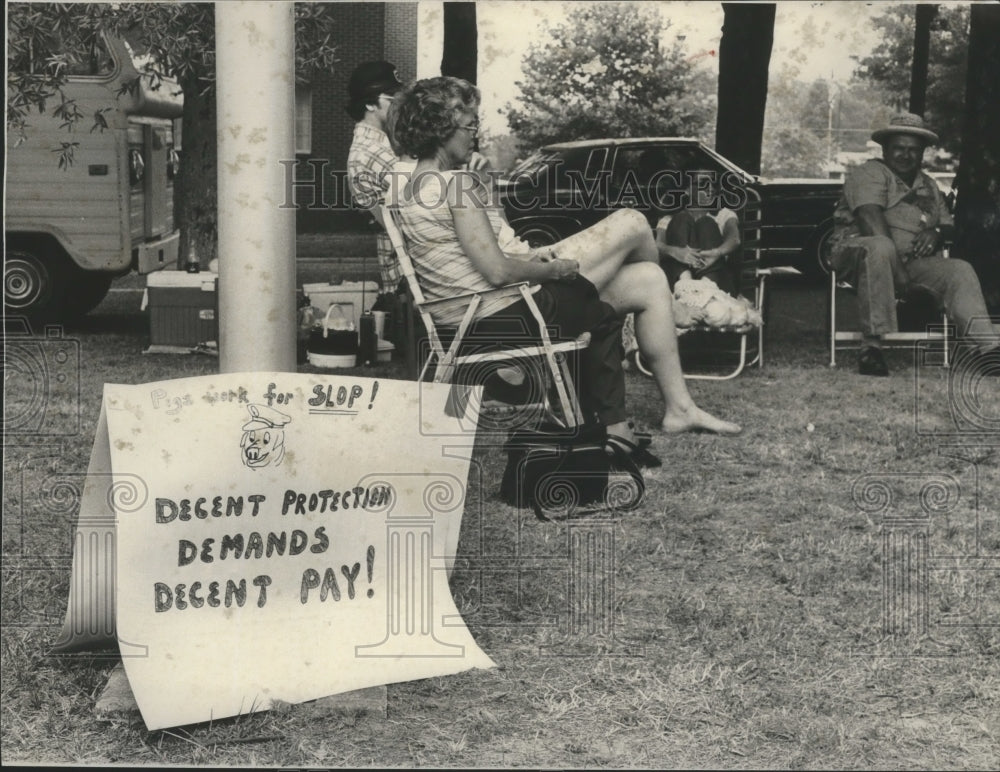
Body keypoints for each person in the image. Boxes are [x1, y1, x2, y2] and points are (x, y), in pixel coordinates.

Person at [389, 76, 741, 455]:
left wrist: (522, 246)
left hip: (473, 312)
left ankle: (681, 408)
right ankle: (673, 313)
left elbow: (478, 252)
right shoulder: (453, 186)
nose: (474, 135)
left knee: (649, 277)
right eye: (470, 124)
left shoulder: (405, 182)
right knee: (634, 222)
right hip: (505, 312)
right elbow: (497, 272)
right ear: (443, 127)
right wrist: (553, 270)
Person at [830, 112, 1000, 376]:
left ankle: (989, 351)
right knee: (880, 247)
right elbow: (869, 217)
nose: (905, 155)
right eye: (899, 148)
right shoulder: (869, 173)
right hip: (857, 253)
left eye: (913, 150)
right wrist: (896, 270)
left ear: (922, 153)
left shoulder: (928, 184)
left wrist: (936, 232)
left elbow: (947, 224)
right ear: (885, 148)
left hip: (909, 263)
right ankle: (871, 348)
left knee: (959, 270)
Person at [345, 60, 410, 292]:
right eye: (391, 96)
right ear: (370, 103)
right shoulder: (371, 152)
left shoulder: (381, 145)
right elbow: (431, 198)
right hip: (410, 278)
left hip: (408, 275)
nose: (398, 104)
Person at [656, 188, 741, 297]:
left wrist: (717, 252)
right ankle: (686, 283)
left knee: (707, 222)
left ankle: (706, 284)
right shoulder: (670, 219)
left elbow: (734, 239)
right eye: (703, 185)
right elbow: (657, 246)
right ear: (688, 189)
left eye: (712, 184)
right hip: (678, 283)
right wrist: (675, 252)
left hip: (716, 283)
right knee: (681, 218)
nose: (710, 189)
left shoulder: (723, 214)